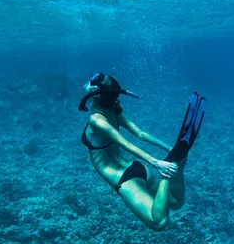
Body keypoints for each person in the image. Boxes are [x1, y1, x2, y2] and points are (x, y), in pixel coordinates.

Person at [78, 72, 205, 230]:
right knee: (176, 203)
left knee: (158, 222)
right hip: (137, 168)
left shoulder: (96, 120)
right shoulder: (113, 112)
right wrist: (168, 149)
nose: (87, 82)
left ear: (95, 94)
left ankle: (167, 174)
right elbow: (140, 134)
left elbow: (126, 143)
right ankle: (176, 165)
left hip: (123, 178)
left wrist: (158, 163)